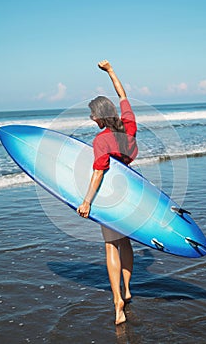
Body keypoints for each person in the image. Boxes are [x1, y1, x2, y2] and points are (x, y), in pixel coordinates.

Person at [77, 60, 138, 325]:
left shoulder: (101, 140)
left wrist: (86, 201)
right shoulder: (129, 125)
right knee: (125, 243)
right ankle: (126, 289)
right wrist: (111, 71)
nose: (91, 118)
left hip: (110, 198)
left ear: (100, 116)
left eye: (92, 115)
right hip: (131, 196)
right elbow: (122, 95)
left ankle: (117, 305)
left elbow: (99, 172)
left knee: (111, 247)